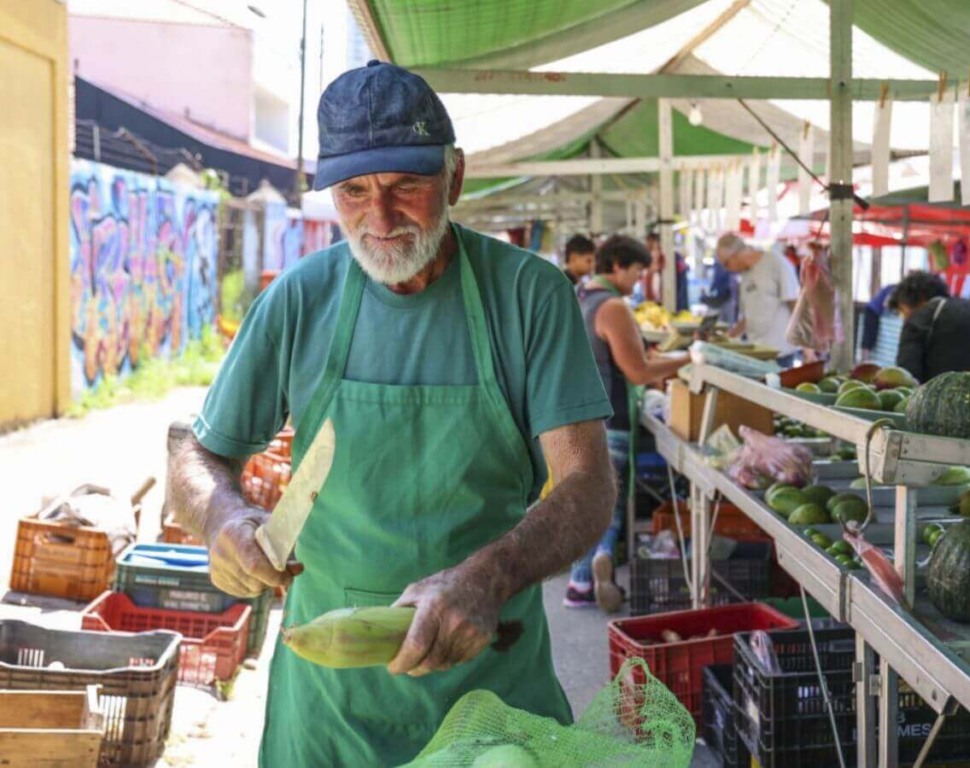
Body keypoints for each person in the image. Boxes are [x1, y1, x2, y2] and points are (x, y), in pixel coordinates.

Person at [167, 62, 616, 766]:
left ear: (454, 177)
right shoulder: (298, 299)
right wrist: (221, 514)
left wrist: (488, 576)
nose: (379, 216)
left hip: (489, 695)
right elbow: (196, 455)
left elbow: (587, 483)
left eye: (406, 185)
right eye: (354, 191)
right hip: (328, 709)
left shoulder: (530, 296)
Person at [568, 236, 691, 610]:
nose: (638, 281)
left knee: (587, 500)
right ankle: (594, 567)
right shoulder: (613, 306)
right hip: (612, 418)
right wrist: (689, 359)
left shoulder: (578, 297)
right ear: (618, 264)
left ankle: (581, 581)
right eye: (638, 271)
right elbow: (637, 371)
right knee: (610, 503)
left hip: (578, 417)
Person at [891, 270, 970, 382]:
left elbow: (906, 377)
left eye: (902, 310)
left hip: (943, 403)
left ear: (921, 298)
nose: (904, 318)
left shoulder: (920, 318)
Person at [715, 232, 800, 358]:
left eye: (726, 264)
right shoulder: (745, 275)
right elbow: (749, 316)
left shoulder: (775, 262)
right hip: (757, 349)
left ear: (736, 255)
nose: (727, 269)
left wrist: (807, 349)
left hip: (780, 352)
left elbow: (795, 305)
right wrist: (729, 336)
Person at [643, 232, 690, 313]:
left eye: (652, 249)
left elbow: (679, 292)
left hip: (676, 310)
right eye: (647, 250)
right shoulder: (651, 270)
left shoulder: (674, 261)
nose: (649, 254)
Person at [859, 283, 897, 362]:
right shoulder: (895, 289)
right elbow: (886, 304)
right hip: (873, 311)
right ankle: (864, 361)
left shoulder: (893, 287)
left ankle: (864, 361)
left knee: (869, 337)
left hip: (872, 309)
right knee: (869, 337)